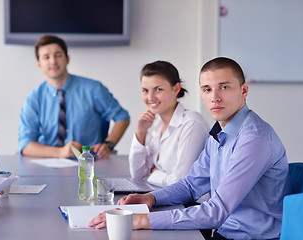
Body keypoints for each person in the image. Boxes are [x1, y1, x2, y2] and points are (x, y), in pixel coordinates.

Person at [89, 57, 291, 239]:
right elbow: (191, 185)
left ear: (244, 90)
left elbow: (216, 211)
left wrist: (139, 220)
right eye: (207, 89)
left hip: (251, 237)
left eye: (224, 87)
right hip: (224, 232)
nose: (215, 97)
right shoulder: (220, 133)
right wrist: (150, 198)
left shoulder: (253, 139)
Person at [18, 35, 130, 159]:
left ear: (68, 59)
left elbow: (122, 117)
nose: (53, 61)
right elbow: (26, 145)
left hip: (89, 164)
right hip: (48, 164)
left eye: (58, 55)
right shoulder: (33, 99)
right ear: (38, 64)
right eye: (46, 57)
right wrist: (60, 152)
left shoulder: (94, 89)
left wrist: (109, 144)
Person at [129, 61, 209, 187]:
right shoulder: (157, 124)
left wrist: (153, 173)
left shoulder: (192, 123)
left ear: (176, 89)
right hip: (161, 193)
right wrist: (141, 132)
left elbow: (180, 182)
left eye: (158, 89)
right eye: (145, 90)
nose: (150, 97)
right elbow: (138, 175)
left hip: (188, 204)